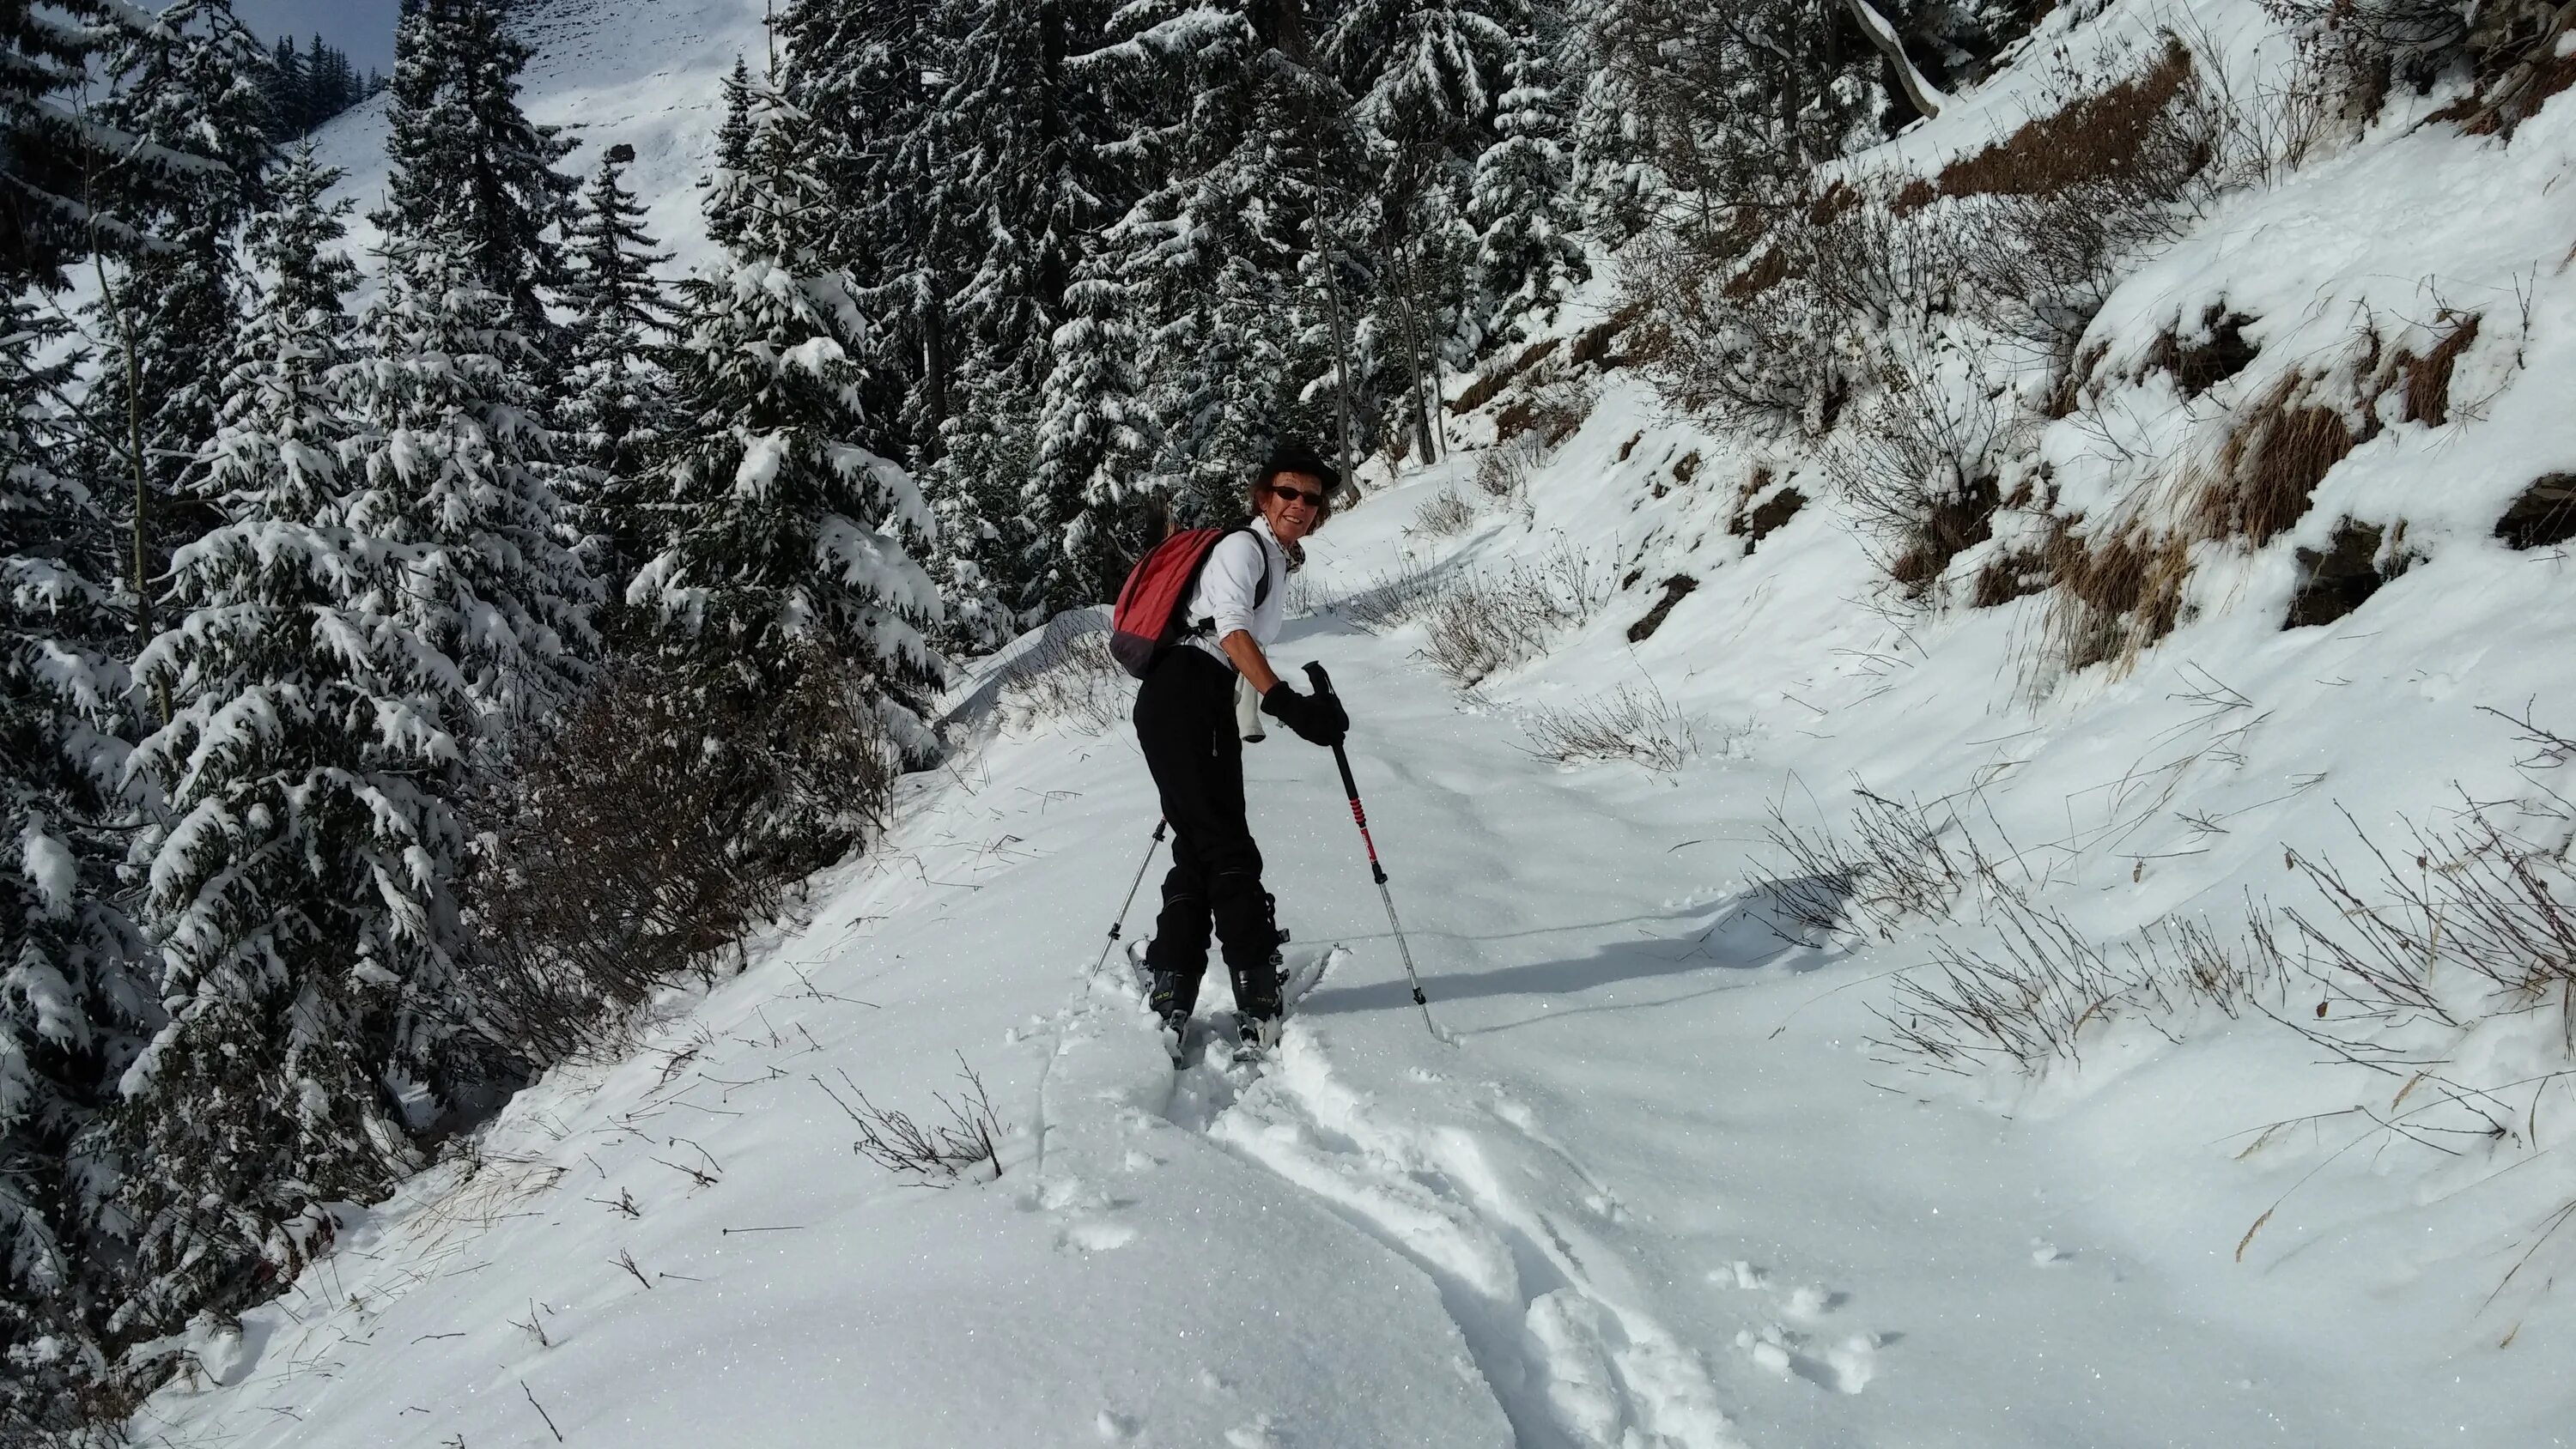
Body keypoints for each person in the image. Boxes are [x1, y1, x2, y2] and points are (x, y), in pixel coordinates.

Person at [1133, 442, 1351, 1049]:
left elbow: (1234, 640)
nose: (1301, 505)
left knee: (1205, 840)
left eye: (1313, 497)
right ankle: (1253, 979)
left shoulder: (1275, 560)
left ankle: (1176, 977)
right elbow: (1228, 629)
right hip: (1183, 695)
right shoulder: (1242, 548)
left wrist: (1287, 705)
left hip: (1205, 703)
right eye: (1289, 492)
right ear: (1264, 496)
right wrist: (1286, 704)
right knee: (1222, 842)